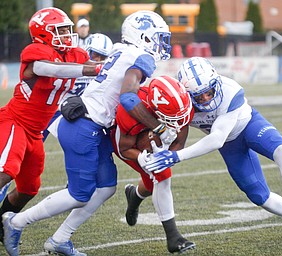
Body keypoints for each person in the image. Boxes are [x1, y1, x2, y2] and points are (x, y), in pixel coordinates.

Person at [2, 10, 175, 256]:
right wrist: (158, 126)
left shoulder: (119, 50)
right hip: (81, 125)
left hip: (90, 123)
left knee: (106, 187)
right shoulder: (141, 57)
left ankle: (60, 239)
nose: (161, 44)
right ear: (143, 37)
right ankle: (15, 222)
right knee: (79, 194)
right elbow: (127, 96)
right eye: (157, 37)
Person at [145, 57, 282, 243]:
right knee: (259, 196)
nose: (206, 99)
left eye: (209, 92)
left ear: (216, 82)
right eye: (199, 96)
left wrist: (176, 156)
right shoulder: (182, 103)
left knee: (281, 150)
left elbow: (217, 138)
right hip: (231, 145)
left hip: (249, 125)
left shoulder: (230, 90)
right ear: (187, 95)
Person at [0, 6, 100, 246]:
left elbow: (94, 64)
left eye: (67, 29)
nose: (67, 34)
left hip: (35, 131)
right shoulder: (35, 52)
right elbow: (52, 69)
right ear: (43, 34)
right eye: (60, 30)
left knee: (29, 188)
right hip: (16, 121)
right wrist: (93, 68)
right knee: (6, 171)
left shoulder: (73, 53)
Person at [112, 76, 195, 253]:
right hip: (129, 144)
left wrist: (167, 152)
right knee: (162, 176)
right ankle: (174, 238)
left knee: (151, 184)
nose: (179, 120)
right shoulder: (131, 110)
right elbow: (124, 148)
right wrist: (143, 157)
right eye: (172, 117)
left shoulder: (181, 104)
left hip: (154, 140)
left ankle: (134, 196)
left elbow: (179, 143)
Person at [42, 32, 114, 141]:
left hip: (83, 112)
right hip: (57, 108)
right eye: (95, 54)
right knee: (37, 137)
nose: (98, 60)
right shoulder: (75, 63)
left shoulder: (107, 73)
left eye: (103, 57)